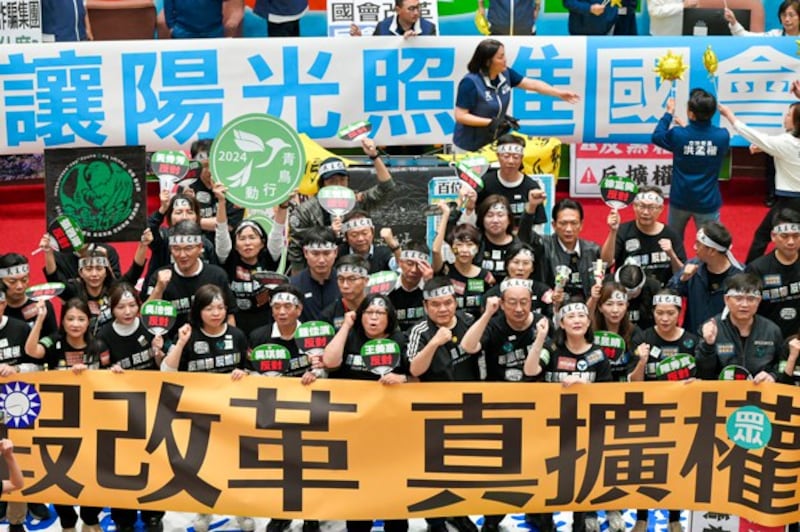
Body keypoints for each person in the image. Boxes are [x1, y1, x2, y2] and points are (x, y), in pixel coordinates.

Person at [160, 284, 255, 532]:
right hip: (197, 415)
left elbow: (252, 371)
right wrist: (180, 343)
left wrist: (243, 372)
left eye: (221, 307)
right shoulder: (188, 335)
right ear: (198, 310)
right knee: (202, 466)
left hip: (232, 414)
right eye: (209, 308)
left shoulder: (237, 335)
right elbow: (167, 372)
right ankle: (204, 511)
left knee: (234, 464)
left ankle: (241, 509)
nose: (216, 313)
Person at [460, 278, 546, 532]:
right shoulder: (494, 324)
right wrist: (488, 313)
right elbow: (468, 345)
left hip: (536, 405)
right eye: (512, 303)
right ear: (502, 303)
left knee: (536, 462)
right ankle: (492, 519)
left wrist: (542, 336)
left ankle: (538, 513)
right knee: (501, 467)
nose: (519, 309)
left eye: (524, 302)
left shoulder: (541, 324)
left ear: (531, 302)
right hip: (499, 406)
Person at [522, 299, 612, 532]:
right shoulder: (552, 349)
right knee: (547, 475)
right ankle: (544, 521)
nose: (577, 321)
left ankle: (579, 523)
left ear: (589, 321)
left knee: (580, 477)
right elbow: (530, 371)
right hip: (550, 426)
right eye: (571, 317)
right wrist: (540, 338)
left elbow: (608, 393)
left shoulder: (598, 355)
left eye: (582, 316)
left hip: (585, 429)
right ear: (561, 323)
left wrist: (584, 384)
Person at [94, 283, 166, 532]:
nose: (127, 311)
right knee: (121, 465)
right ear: (112, 309)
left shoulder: (151, 327)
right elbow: (98, 372)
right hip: (119, 410)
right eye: (121, 306)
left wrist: (159, 353)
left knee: (152, 459)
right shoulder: (103, 334)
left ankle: (153, 515)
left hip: (152, 405)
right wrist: (109, 372)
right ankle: (123, 518)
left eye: (132, 305)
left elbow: (164, 368)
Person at [629, 290, 694, 532]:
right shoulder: (642, 339)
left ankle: (674, 517)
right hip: (647, 415)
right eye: (659, 313)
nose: (665, 318)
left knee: (675, 466)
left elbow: (702, 377)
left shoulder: (690, 341)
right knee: (643, 467)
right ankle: (641, 517)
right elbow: (633, 382)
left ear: (679, 313)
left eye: (670, 313)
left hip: (680, 415)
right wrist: (642, 362)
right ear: (653, 313)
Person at [452, 39, 579, 153]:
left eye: (504, 55)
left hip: (493, 144)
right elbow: (461, 116)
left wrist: (559, 93)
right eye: (500, 57)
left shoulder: (506, 74)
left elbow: (532, 84)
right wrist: (492, 122)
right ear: (487, 61)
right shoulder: (471, 82)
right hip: (469, 146)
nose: (505, 60)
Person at [288, 138, 395, 273]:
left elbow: (387, 187)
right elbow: (296, 247)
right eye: (332, 180)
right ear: (322, 184)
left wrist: (374, 156)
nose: (338, 185)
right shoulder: (304, 210)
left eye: (342, 180)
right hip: (317, 271)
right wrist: (327, 232)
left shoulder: (355, 200)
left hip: (353, 268)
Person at [717, 102, 800, 263]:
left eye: (789, 114)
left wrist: (729, 115)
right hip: (790, 200)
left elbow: (751, 134)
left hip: (789, 202)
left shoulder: (785, 142)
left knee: (764, 236)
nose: (785, 117)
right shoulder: (785, 143)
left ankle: (749, 274)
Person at [652, 90, 730, 243]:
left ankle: (677, 267)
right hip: (707, 201)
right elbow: (702, 140)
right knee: (710, 244)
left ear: (690, 113)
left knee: (674, 243)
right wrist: (686, 129)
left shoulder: (679, 135)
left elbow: (657, 136)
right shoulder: (722, 135)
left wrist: (669, 113)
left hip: (681, 199)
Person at [41, 229, 152, 331]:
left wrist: (143, 245)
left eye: (99, 269)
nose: (94, 274)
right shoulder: (74, 289)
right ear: (81, 272)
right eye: (88, 269)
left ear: (106, 271)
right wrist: (48, 252)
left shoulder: (114, 288)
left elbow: (135, 271)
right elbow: (54, 278)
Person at [144, 220, 236, 338]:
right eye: (176, 249)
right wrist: (159, 289)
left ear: (200, 248)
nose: (182, 255)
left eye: (188, 248)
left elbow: (230, 315)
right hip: (174, 345)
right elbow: (146, 317)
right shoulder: (160, 277)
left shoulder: (217, 275)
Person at [519, 198, 615, 304]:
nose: (568, 229)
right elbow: (524, 236)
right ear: (554, 225)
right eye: (563, 223)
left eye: (574, 223)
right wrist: (531, 207)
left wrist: (613, 231)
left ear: (581, 225)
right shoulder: (544, 245)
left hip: (586, 312)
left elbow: (606, 262)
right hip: (552, 311)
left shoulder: (591, 249)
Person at [695, 273, 783, 381]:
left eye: (751, 299)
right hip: (722, 393)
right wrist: (708, 345)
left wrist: (773, 375)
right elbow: (703, 373)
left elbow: (783, 363)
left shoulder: (772, 330)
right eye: (738, 298)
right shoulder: (711, 327)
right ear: (726, 300)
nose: (744, 304)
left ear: (759, 301)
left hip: (759, 393)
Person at [215, 203, 286, 336]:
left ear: (262, 242)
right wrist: (221, 202)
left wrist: (283, 207)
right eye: (242, 239)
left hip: (265, 323)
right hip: (234, 323)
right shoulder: (229, 261)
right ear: (235, 245)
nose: (247, 243)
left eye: (252, 238)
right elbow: (221, 233)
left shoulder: (268, 259)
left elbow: (277, 232)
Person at [669, 222, 744, 334]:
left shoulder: (740, 277)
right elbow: (670, 293)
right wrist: (682, 279)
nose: (694, 247)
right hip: (693, 336)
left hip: (724, 341)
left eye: (698, 244)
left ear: (712, 251)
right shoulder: (693, 265)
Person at [611, 186, 686, 287]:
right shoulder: (623, 231)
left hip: (662, 295)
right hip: (629, 291)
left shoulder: (671, 234)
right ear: (634, 206)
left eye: (651, 207)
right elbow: (606, 263)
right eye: (641, 206)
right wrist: (612, 231)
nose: (645, 212)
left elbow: (681, 274)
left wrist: (672, 255)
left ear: (660, 209)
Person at [745, 209, 800, 339]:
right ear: (773, 236)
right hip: (766, 339)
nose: (791, 242)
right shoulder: (757, 269)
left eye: (796, 236)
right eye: (785, 236)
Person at [475, 134, 547, 232]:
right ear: (498, 156)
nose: (511, 161)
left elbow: (538, 224)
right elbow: (475, 218)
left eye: (516, 157)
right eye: (506, 156)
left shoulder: (531, 186)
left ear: (522, 158)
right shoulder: (485, 183)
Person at [146, 190, 218, 280]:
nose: (184, 217)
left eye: (189, 212)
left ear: (197, 217)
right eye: (179, 212)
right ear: (169, 216)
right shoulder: (163, 237)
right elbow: (147, 230)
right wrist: (163, 209)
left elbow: (214, 275)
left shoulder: (206, 244)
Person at [183, 138, 245, 240]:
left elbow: (230, 224)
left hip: (227, 247)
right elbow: (179, 221)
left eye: (213, 165)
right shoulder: (187, 185)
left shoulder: (234, 186)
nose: (210, 171)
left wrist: (193, 220)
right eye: (205, 166)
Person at [433, 221, 495, 321]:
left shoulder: (486, 276)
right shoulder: (445, 270)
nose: (464, 250)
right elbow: (436, 250)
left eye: (470, 244)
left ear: (478, 248)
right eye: (459, 244)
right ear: (451, 247)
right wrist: (445, 214)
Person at [481, 242, 554, 318]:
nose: (520, 268)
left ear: (532, 268)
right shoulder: (492, 295)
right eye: (516, 262)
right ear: (507, 265)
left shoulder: (544, 292)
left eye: (526, 263)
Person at [290, 227, 341, 322]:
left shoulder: (345, 282)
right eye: (315, 254)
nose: (321, 260)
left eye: (326, 253)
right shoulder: (294, 285)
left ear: (335, 252)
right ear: (305, 253)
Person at [0, 254, 58, 335]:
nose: (20, 286)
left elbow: (54, 335)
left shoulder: (42, 304)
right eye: (12, 282)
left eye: (24, 280)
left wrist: (42, 346)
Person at [389, 241, 433, 332]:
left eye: (420, 265)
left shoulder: (430, 286)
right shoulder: (388, 286)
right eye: (409, 263)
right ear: (400, 263)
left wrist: (429, 284)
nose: (414, 270)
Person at [320, 255, 370, 330]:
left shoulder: (379, 309)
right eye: (341, 279)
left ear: (366, 281)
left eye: (352, 279)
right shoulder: (328, 315)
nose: (345, 285)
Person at [350, 0, 437, 36]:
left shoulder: (429, 28)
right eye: (411, 9)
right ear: (398, 10)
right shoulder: (383, 27)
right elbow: (373, 53)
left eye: (418, 7)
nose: (416, 12)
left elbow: (433, 56)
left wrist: (414, 43)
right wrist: (359, 41)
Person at [163, 0, 240, 38]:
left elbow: (230, 3)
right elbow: (168, 5)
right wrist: (171, 26)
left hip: (214, 30)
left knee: (213, 63)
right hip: (183, 30)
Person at [724, 0, 800, 36]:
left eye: (791, 15)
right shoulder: (774, 36)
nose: (787, 19)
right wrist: (733, 22)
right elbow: (744, 36)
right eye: (783, 15)